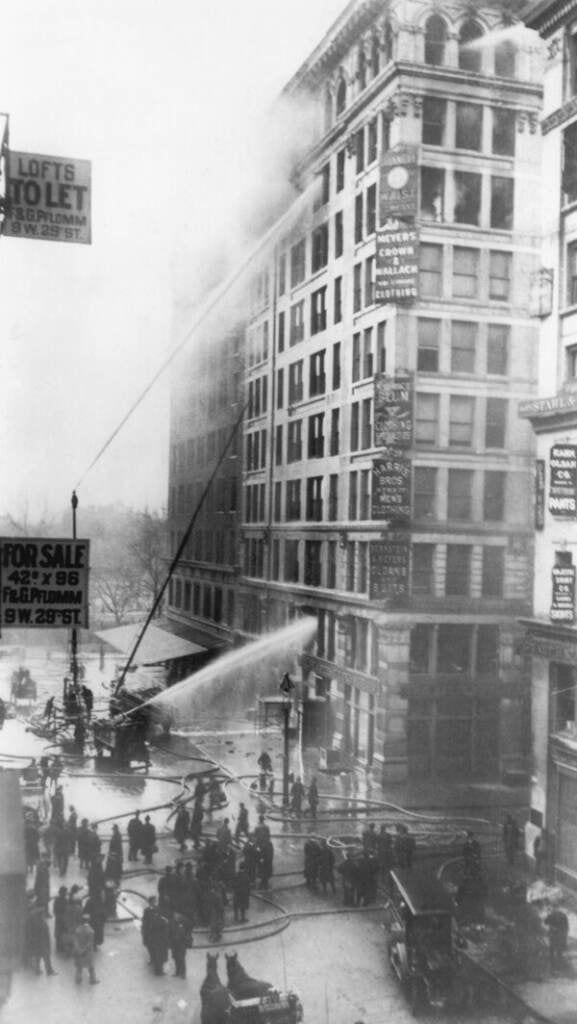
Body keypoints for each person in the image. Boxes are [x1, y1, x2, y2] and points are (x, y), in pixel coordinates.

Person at [26, 902, 57, 976]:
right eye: (42, 913)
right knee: (46, 956)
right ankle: (49, 971)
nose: (43, 914)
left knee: (38, 955)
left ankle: (37, 970)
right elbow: (45, 934)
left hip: (36, 942)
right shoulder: (41, 922)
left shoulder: (32, 919)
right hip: (42, 942)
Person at [73, 913, 99, 984]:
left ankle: (78, 979)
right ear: (88, 920)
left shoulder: (77, 929)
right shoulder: (90, 931)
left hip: (78, 951)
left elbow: (75, 940)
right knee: (91, 967)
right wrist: (84, 950)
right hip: (87, 953)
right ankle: (93, 980)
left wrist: (78, 949)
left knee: (79, 966)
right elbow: (90, 943)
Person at [545, 906, 569, 971]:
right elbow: (567, 927)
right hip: (560, 935)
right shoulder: (563, 915)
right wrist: (565, 936)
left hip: (553, 935)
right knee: (559, 951)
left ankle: (552, 966)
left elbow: (545, 922)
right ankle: (559, 966)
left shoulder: (551, 915)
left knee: (552, 950)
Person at [168, 911, 188, 979]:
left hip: (181, 944)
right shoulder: (171, 922)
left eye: (178, 914)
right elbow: (169, 932)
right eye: (175, 914)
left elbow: (186, 932)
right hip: (174, 944)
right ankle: (177, 972)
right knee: (176, 958)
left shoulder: (183, 922)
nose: (176, 915)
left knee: (181, 959)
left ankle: (183, 973)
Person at [53, 886, 68, 955]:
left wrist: (57, 915)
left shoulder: (57, 900)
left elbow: (54, 910)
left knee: (59, 932)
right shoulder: (65, 900)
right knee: (62, 932)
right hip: (63, 918)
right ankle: (61, 946)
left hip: (58, 918)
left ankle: (58, 946)